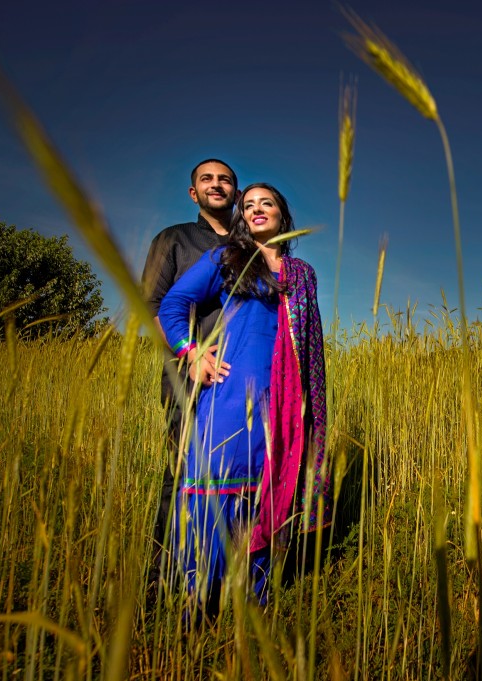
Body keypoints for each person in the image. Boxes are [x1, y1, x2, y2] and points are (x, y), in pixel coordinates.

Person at [158, 182, 329, 614]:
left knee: (267, 494)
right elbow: (173, 303)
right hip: (230, 398)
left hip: (285, 404)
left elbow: (310, 347)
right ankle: (195, 602)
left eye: (266, 203)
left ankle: (252, 603)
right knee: (215, 488)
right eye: (248, 204)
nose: (256, 210)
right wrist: (191, 352)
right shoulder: (227, 258)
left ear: (281, 214)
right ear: (241, 215)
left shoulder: (302, 272)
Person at [141, 159, 238, 589]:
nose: (216, 185)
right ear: (193, 193)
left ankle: (224, 576)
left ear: (236, 191)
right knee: (182, 475)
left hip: (242, 380)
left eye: (225, 180)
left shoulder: (252, 244)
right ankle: (162, 580)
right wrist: (192, 353)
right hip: (189, 377)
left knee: (237, 477)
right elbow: (150, 308)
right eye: (207, 179)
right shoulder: (174, 240)